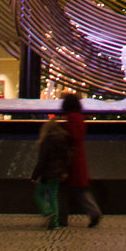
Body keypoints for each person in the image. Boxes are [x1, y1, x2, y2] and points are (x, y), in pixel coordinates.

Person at [60, 95, 101, 227]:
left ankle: (62, 218)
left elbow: (70, 138)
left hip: (71, 159)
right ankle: (93, 212)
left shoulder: (70, 119)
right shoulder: (80, 119)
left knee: (64, 191)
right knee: (81, 190)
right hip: (79, 158)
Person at [30, 118, 72, 229]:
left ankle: (47, 211)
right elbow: (66, 158)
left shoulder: (46, 141)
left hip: (47, 174)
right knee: (53, 196)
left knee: (39, 194)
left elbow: (42, 160)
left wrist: (35, 175)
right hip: (58, 174)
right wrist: (64, 171)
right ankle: (54, 222)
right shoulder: (63, 140)